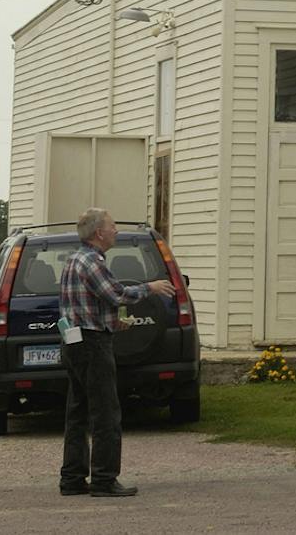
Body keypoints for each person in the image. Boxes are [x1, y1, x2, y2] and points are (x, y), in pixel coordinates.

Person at [58, 208, 175, 497]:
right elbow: (116, 294)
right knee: (106, 413)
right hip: (93, 345)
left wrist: (113, 322)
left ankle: (72, 478)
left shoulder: (74, 259)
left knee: (78, 411)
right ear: (99, 233)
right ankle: (104, 479)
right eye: (112, 226)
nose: (116, 231)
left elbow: (87, 304)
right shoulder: (93, 262)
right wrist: (150, 287)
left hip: (73, 342)